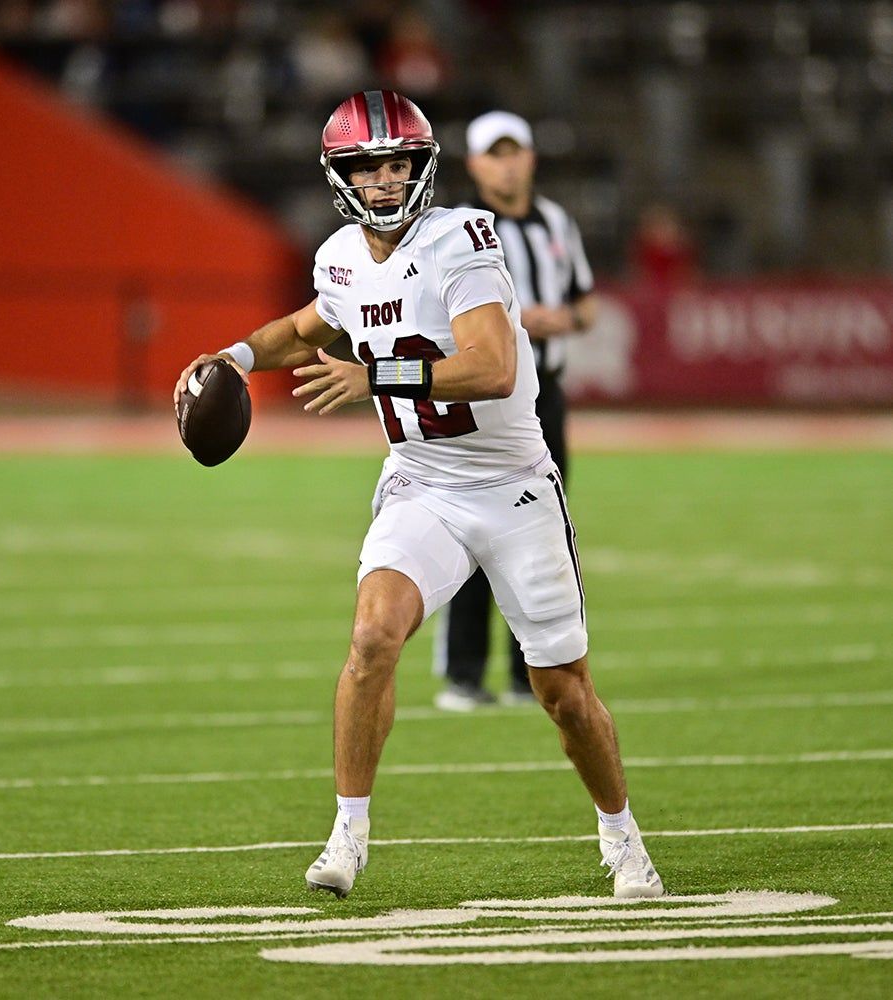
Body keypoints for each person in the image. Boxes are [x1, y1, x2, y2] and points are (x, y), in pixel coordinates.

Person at [174, 89, 664, 903]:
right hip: (424, 483)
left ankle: (622, 837)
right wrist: (226, 356)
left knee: (563, 692)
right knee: (372, 637)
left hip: (511, 487)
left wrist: (376, 375)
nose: (387, 180)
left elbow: (493, 365)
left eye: (398, 162)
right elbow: (302, 331)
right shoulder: (338, 256)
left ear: (422, 166)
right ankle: (348, 832)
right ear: (342, 177)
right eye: (369, 167)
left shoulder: (461, 239)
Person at [435, 110, 599, 712]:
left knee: (541, 529)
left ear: (530, 156)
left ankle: (530, 672)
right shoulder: (458, 230)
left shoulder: (556, 221)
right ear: (475, 165)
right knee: (474, 524)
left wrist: (568, 319)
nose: (506, 163)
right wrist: (522, 320)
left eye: (515, 151)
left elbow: (587, 305)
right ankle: (463, 673)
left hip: (545, 395)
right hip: (484, 397)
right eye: (494, 153)